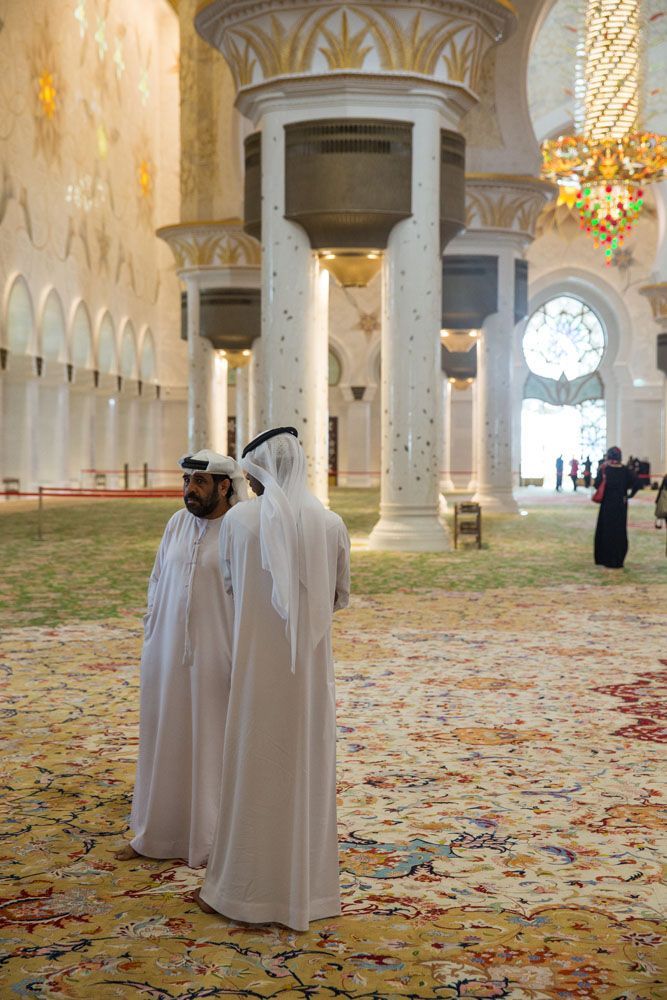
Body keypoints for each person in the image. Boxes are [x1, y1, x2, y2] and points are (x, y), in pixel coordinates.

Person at [193, 427, 351, 931]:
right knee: (303, 767)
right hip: (306, 678)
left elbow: (230, 585)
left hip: (257, 672)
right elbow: (338, 598)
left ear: (257, 471)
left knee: (254, 766)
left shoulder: (239, 521)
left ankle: (242, 890)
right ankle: (310, 891)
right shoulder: (330, 525)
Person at [116, 449, 247, 867]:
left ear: (225, 486)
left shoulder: (240, 530)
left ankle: (210, 841)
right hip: (168, 657)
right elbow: (158, 582)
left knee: (210, 744)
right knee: (166, 738)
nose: (189, 490)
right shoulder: (176, 524)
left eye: (199, 483)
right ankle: (157, 834)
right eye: (186, 482)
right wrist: (155, 637)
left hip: (219, 658)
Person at [594, 445, 640, 569]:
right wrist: (629, 495)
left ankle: (606, 559)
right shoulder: (625, 470)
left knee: (606, 530)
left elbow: (596, 485)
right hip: (621, 504)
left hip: (607, 505)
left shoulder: (605, 469)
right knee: (619, 531)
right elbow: (637, 483)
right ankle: (618, 560)